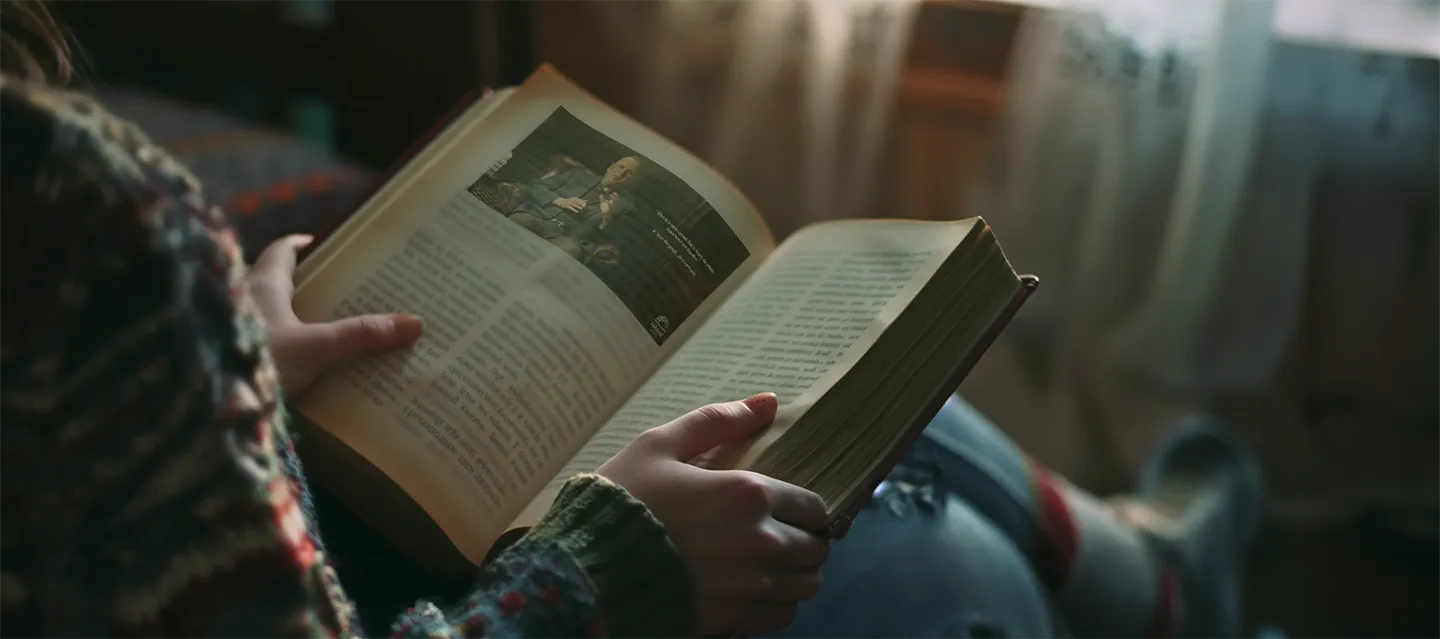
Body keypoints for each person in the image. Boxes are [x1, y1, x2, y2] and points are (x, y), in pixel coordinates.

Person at [0, 3, 1264, 638]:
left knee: (810, 414)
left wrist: (212, 397)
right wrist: (611, 573)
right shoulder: (75, 210)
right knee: (894, 523)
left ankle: (1152, 573)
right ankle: (1153, 579)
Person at [508, 156, 639, 264]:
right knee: (517, 222)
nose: (621, 173)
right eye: (621, 167)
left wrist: (606, 216)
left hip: (568, 237)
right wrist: (560, 201)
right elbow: (536, 186)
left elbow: (611, 238)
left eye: (629, 173)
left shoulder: (624, 204)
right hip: (539, 217)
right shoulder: (578, 175)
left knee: (566, 254)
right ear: (611, 167)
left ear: (631, 180)